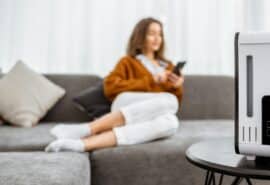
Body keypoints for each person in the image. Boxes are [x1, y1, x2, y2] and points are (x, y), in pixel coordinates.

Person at [45, 17, 184, 152]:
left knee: (171, 122)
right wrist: (151, 80)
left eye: (160, 34)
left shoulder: (167, 66)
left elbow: (172, 105)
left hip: (148, 114)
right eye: (152, 34)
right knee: (169, 100)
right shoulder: (128, 62)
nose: (157, 38)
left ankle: (82, 144)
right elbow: (110, 87)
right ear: (141, 37)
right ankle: (88, 128)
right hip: (124, 104)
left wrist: (176, 86)